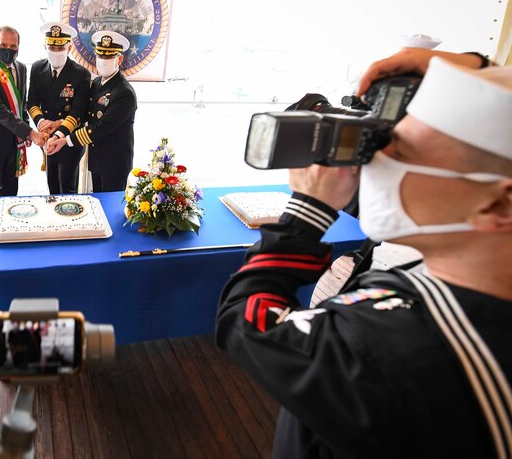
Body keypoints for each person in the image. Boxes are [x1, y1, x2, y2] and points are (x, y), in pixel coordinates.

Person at [216, 55, 512, 458]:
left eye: (401, 154)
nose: (370, 164)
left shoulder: (385, 354)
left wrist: (307, 210)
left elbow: (245, 320)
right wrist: (473, 65)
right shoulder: (456, 292)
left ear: (499, 205)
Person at [46, 30, 137, 193]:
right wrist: (58, 125)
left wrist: (65, 141)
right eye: (100, 56)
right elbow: (85, 114)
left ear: (120, 59)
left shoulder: (124, 93)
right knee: (99, 203)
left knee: (110, 208)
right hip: (97, 159)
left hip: (115, 162)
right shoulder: (97, 83)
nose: (103, 61)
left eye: (109, 57)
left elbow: (101, 128)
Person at [0, 25, 46, 197]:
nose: (8, 50)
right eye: (4, 45)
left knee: (11, 195)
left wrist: (25, 131)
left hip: (13, 144)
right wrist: (31, 133)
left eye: (13, 46)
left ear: (18, 47)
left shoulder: (21, 68)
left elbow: (20, 104)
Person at [26, 21, 91, 194]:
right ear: (45, 46)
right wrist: (41, 123)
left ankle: (71, 220)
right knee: (52, 185)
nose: (56, 52)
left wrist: (58, 134)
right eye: (52, 48)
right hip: (46, 137)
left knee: (67, 188)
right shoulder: (37, 68)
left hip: (69, 139)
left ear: (69, 48)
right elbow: (31, 102)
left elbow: (78, 112)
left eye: (60, 48)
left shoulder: (81, 74)